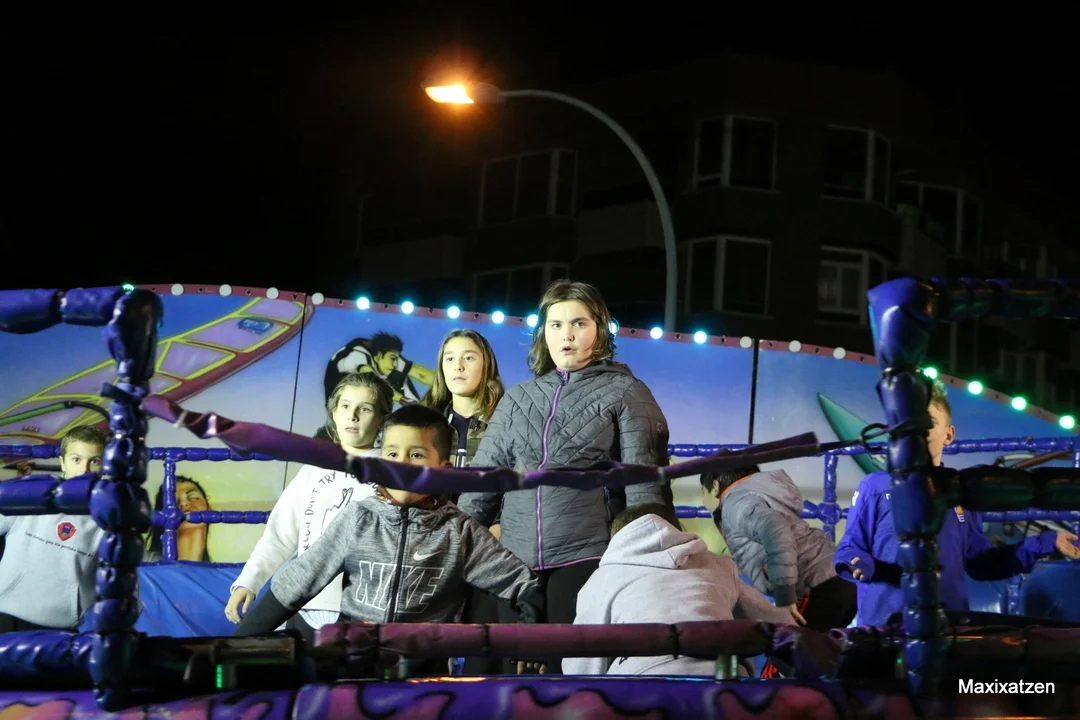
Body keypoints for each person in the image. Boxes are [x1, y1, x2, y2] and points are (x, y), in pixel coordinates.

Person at [232, 405, 544, 676]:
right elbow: (295, 584)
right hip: (350, 673)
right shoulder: (359, 518)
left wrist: (531, 638)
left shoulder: (459, 532)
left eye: (416, 455)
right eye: (392, 454)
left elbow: (523, 585)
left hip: (423, 682)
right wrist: (233, 648)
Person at [458, 279, 671, 670]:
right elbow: (481, 486)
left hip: (585, 555)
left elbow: (644, 488)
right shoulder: (518, 398)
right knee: (512, 677)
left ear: (600, 329)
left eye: (579, 323)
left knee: (563, 675)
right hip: (514, 561)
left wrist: (645, 563)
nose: (566, 335)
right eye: (555, 324)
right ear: (543, 332)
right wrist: (453, 552)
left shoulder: (627, 392)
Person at [835, 380, 1080, 626]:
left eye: (928, 422)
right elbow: (851, 548)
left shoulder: (963, 490)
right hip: (885, 628)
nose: (919, 430)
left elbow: (981, 563)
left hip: (949, 628)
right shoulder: (875, 486)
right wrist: (858, 563)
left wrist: (1046, 542)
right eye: (911, 422)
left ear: (949, 435)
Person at [225, 372, 394, 643]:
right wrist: (248, 582)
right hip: (304, 605)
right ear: (334, 412)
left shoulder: (392, 474)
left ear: (382, 419)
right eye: (345, 406)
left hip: (361, 611)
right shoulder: (313, 470)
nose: (352, 416)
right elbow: (279, 536)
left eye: (365, 409)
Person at [564, 503, 793, 677]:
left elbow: (583, 662)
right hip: (722, 676)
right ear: (678, 531)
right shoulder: (719, 564)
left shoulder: (601, 579)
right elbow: (782, 627)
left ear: (617, 540)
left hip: (641, 680)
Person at [701, 457, 856, 677]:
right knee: (818, 668)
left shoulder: (735, 503)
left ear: (715, 487)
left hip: (815, 586)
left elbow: (775, 530)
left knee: (780, 669)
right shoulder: (757, 496)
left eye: (703, 491)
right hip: (837, 580)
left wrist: (784, 596)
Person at [420, 328, 506, 675]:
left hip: (488, 551)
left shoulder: (507, 421)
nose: (458, 366)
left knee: (483, 660)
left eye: (469, 357)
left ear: (486, 365)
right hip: (433, 553)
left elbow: (519, 485)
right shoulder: (425, 423)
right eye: (450, 358)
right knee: (426, 662)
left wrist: (501, 527)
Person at [0, 425, 107, 632]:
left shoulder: (108, 513)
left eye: (94, 461)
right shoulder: (29, 494)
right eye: (76, 460)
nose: (84, 470)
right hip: (5, 612)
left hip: (62, 624)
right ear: (63, 462)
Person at [144, 476, 213, 562]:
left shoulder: (220, 569)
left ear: (209, 508)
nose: (183, 503)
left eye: (193, 497)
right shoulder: (140, 561)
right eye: (172, 502)